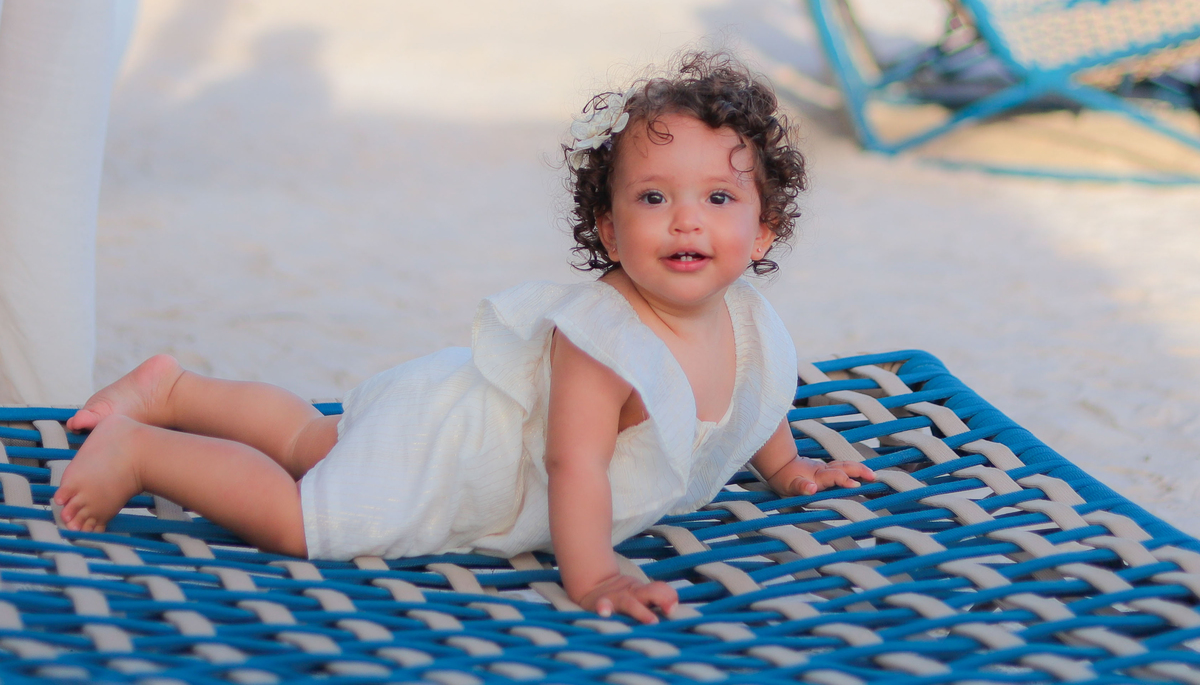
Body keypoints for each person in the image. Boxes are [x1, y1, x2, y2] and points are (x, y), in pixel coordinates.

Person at [54, 52, 874, 623]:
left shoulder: (746, 318)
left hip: (452, 407)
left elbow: (754, 396)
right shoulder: (602, 337)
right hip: (454, 459)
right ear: (609, 231)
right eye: (654, 198)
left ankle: (175, 388)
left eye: (718, 200)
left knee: (315, 437)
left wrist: (787, 466)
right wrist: (591, 572)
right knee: (302, 518)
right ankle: (140, 448)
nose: (687, 217)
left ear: (764, 231)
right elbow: (573, 463)